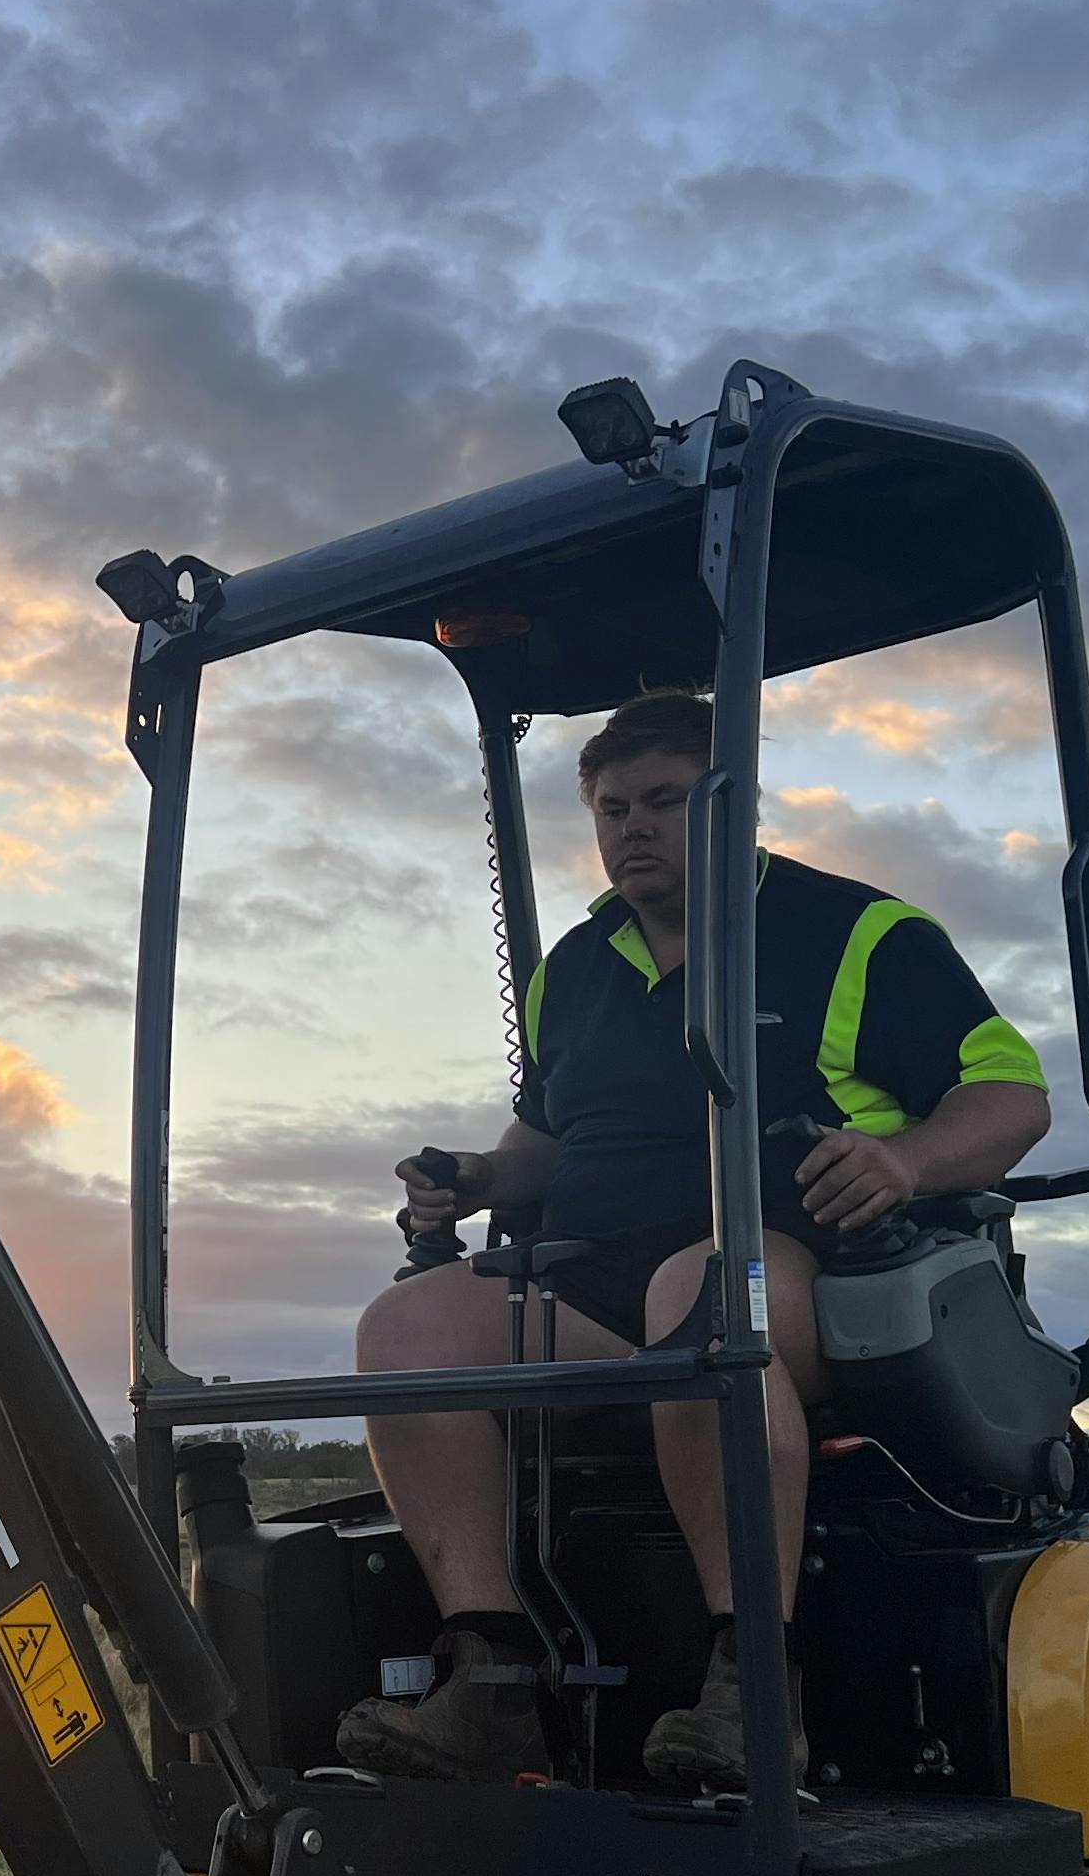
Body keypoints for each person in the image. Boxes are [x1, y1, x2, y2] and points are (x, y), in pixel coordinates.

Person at [334, 688, 1052, 1787]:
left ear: (737, 804)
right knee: (405, 1331)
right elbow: (547, 1138)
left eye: (664, 801)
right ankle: (492, 1681)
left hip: (809, 1275)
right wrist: (479, 1178)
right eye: (612, 807)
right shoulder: (575, 967)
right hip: (598, 1287)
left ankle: (751, 1690)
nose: (632, 827)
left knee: (699, 1292)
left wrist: (903, 1161)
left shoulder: (858, 933)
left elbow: (1011, 1098)